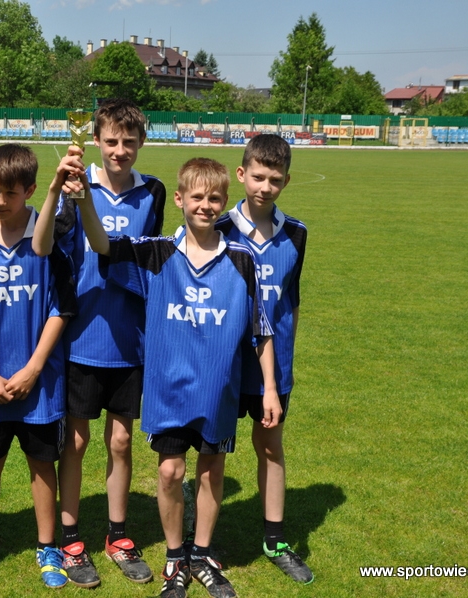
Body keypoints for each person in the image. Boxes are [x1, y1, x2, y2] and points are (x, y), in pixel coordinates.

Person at [48, 155, 280, 598]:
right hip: (168, 392)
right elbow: (102, 246)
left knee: (211, 473)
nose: (206, 206)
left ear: (224, 202)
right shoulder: (156, 253)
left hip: (217, 392)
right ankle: (176, 558)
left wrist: (269, 388)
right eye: (198, 197)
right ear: (179, 199)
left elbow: (260, 329)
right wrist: (84, 201)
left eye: (215, 199)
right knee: (171, 473)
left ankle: (203, 555)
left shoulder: (241, 260)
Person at [33, 99, 166, 588]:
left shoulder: (153, 192)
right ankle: (71, 539)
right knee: (76, 440)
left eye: (129, 142)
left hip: (130, 338)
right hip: (81, 336)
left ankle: (117, 535)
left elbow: (147, 259)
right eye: (111, 141)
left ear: (142, 143)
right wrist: (63, 192)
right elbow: (47, 248)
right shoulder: (74, 185)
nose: (119, 150)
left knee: (122, 441)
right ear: (95, 140)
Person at [0, 144, 78, 590]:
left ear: (30, 190)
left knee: (42, 465)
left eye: (10, 193)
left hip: (40, 383)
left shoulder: (48, 237)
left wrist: (33, 368)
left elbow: (63, 307)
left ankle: (47, 547)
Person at [213, 134, 313, 584]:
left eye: (274, 179)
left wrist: (284, 359)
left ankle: (275, 540)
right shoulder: (218, 226)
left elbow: (291, 301)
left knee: (270, 445)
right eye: (257, 177)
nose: (265, 187)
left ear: (286, 181)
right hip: (224, 364)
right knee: (214, 450)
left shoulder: (296, 233)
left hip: (274, 367)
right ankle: (203, 540)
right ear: (241, 174)